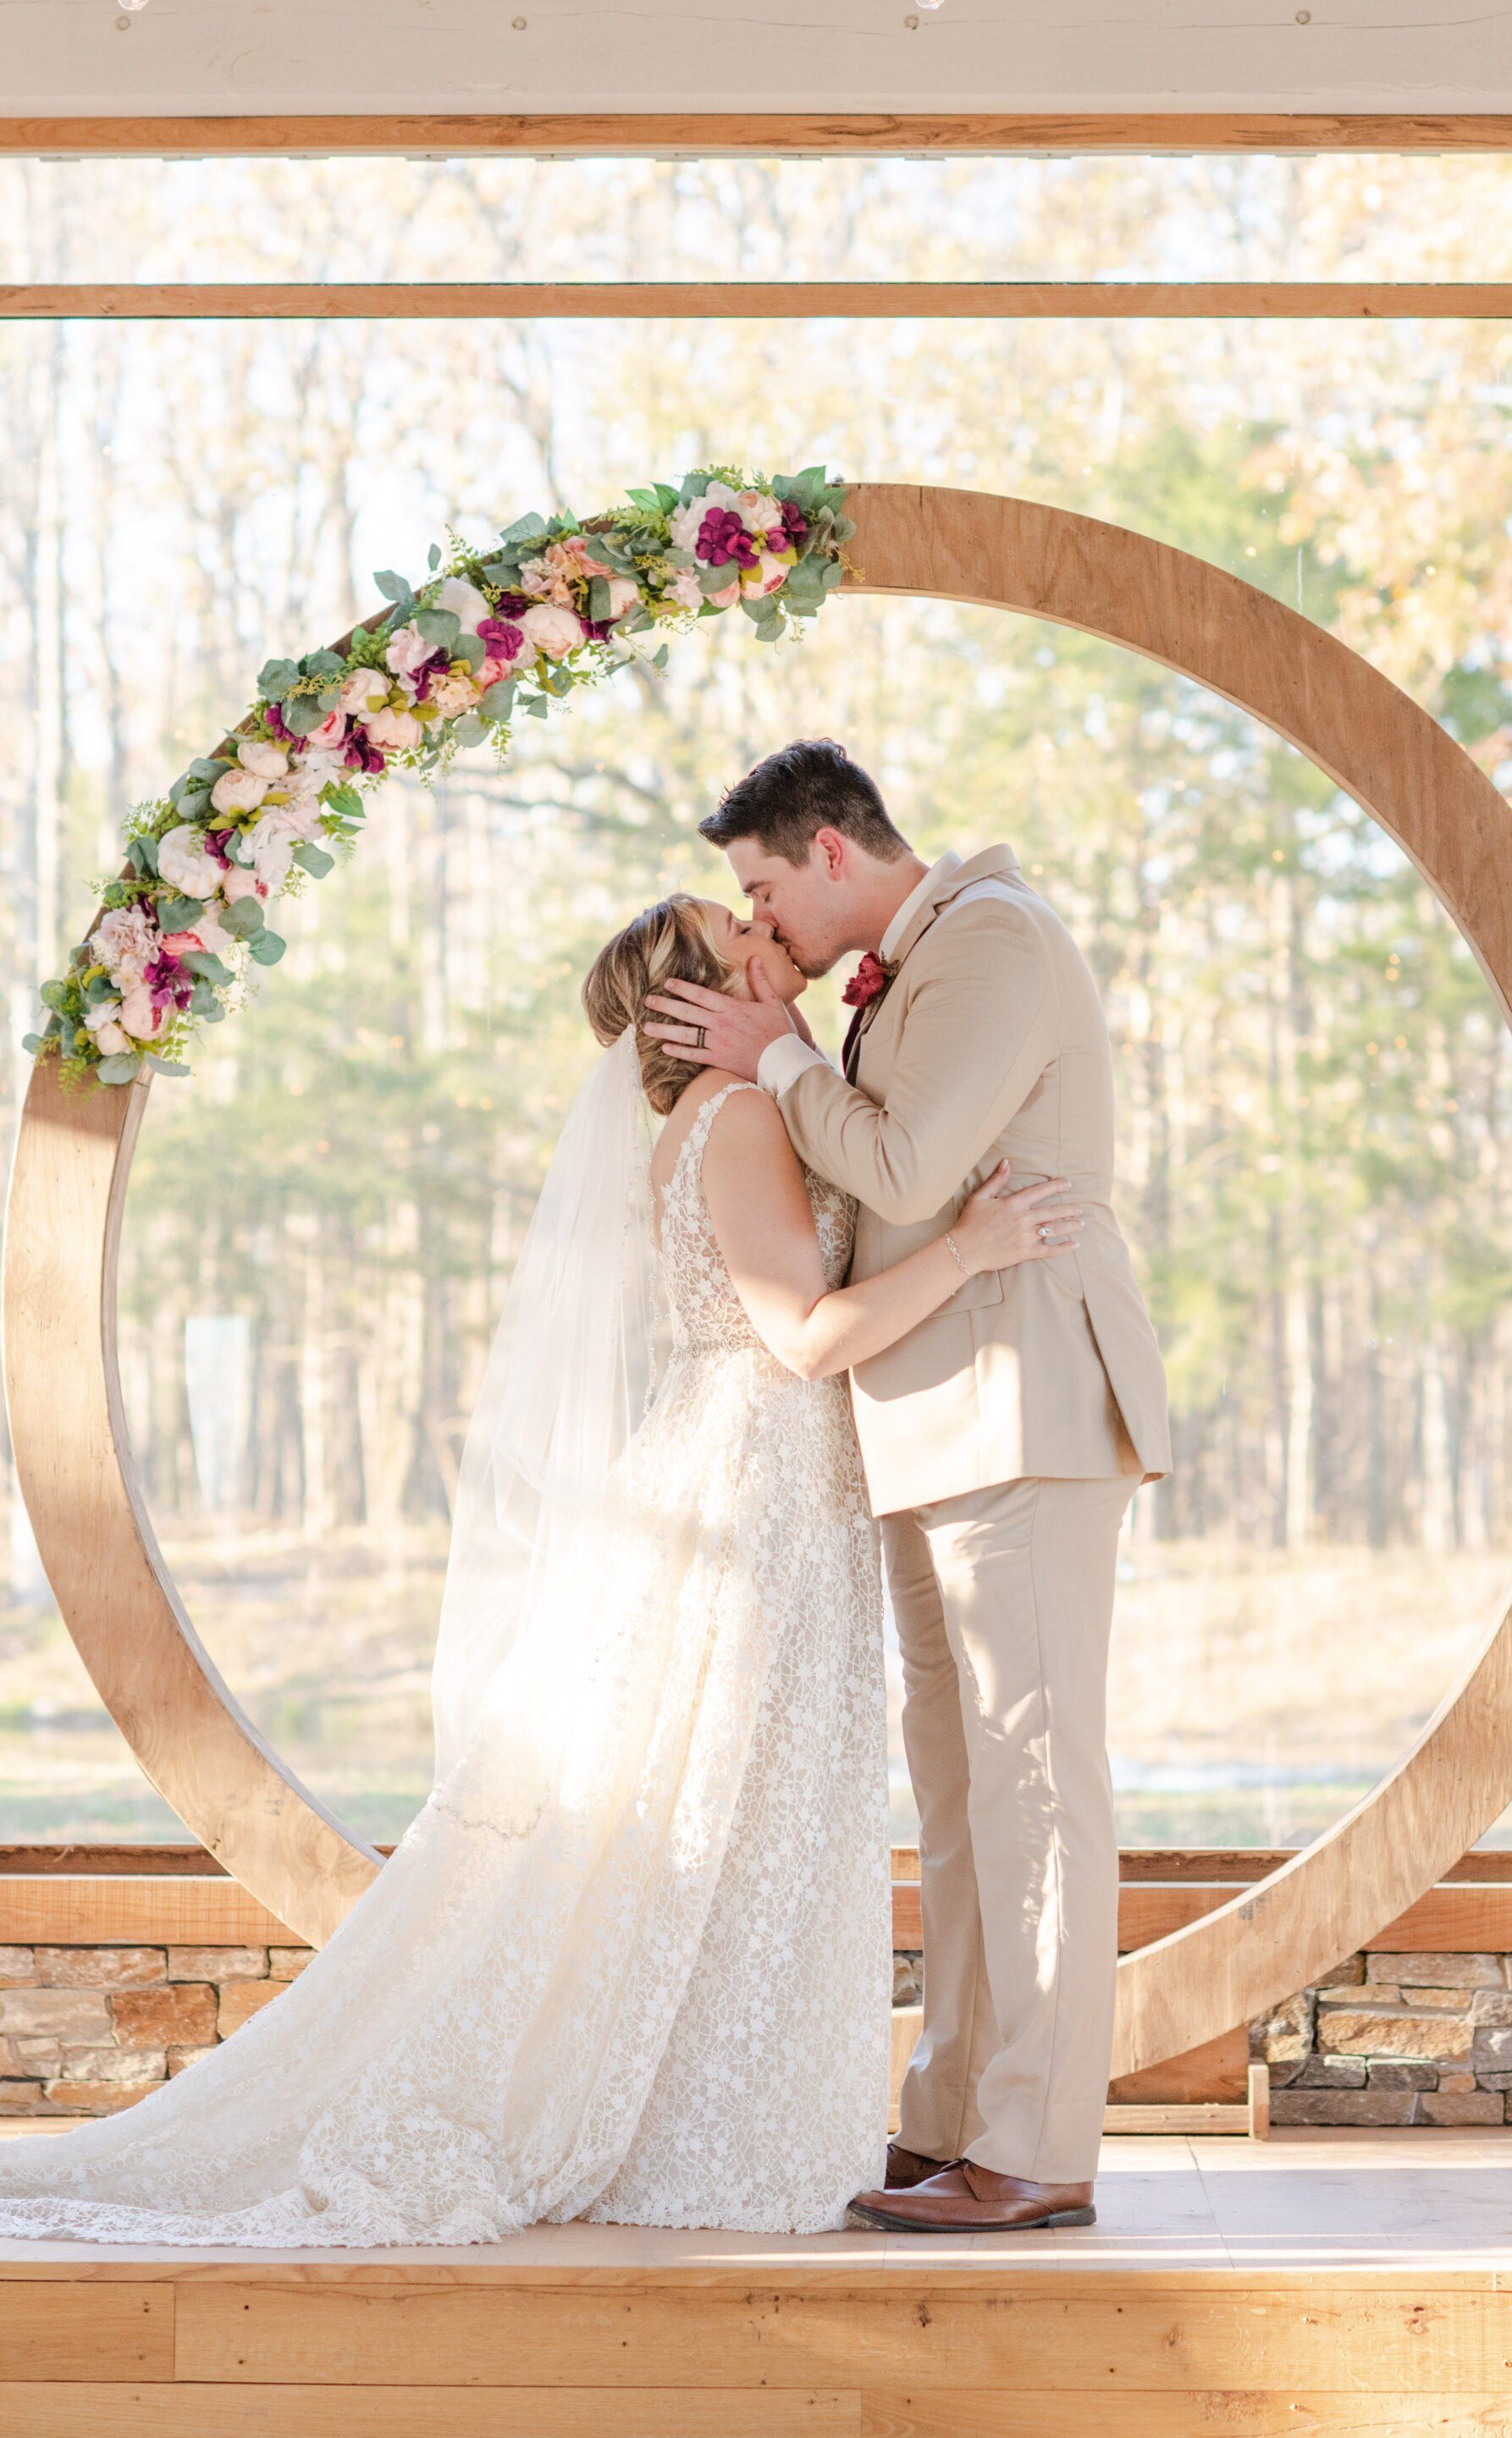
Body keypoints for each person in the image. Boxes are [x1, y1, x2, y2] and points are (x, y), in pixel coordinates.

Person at [0, 891, 1079, 2248]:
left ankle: (714, 2102)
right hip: (755, 1492)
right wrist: (978, 1248)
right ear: (703, 995)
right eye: (746, 938)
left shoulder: (718, 1121)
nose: (778, 945)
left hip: (767, 1481)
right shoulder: (738, 1121)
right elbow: (802, 1338)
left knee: (742, 1818)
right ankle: (686, 2122)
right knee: (725, 1812)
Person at [643, 739, 1172, 2236]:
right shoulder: (906, 968)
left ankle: (1039, 2148)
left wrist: (781, 1062)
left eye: (762, 889)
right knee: (960, 1797)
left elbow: (908, 1161)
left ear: (828, 851)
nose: (763, 929)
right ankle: (949, 2116)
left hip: (1024, 1410)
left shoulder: (992, 941)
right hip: (930, 1420)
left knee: (1037, 1787)